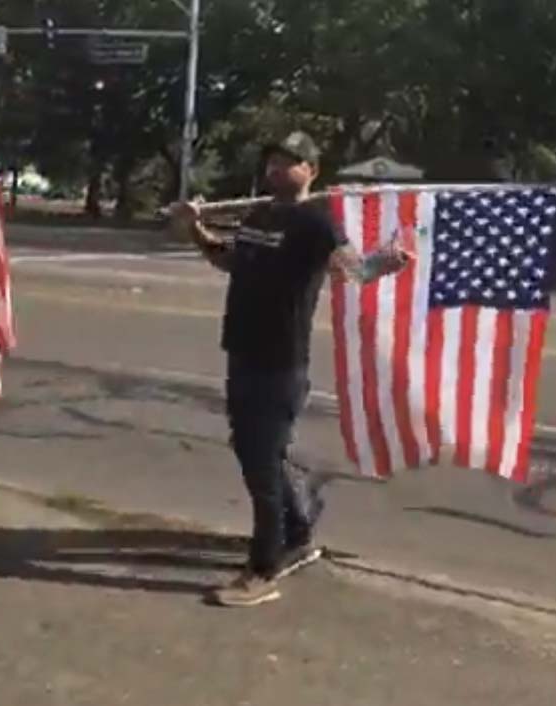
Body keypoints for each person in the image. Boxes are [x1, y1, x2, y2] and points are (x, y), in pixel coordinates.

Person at [170, 131, 411, 607]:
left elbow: (353, 271)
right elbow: (230, 260)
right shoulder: (259, 214)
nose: (278, 169)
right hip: (241, 350)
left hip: (280, 361)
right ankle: (298, 535)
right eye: (273, 161)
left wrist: (387, 262)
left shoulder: (316, 225)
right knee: (255, 450)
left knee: (261, 466)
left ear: (312, 171)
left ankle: (263, 570)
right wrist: (194, 227)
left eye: (290, 162)